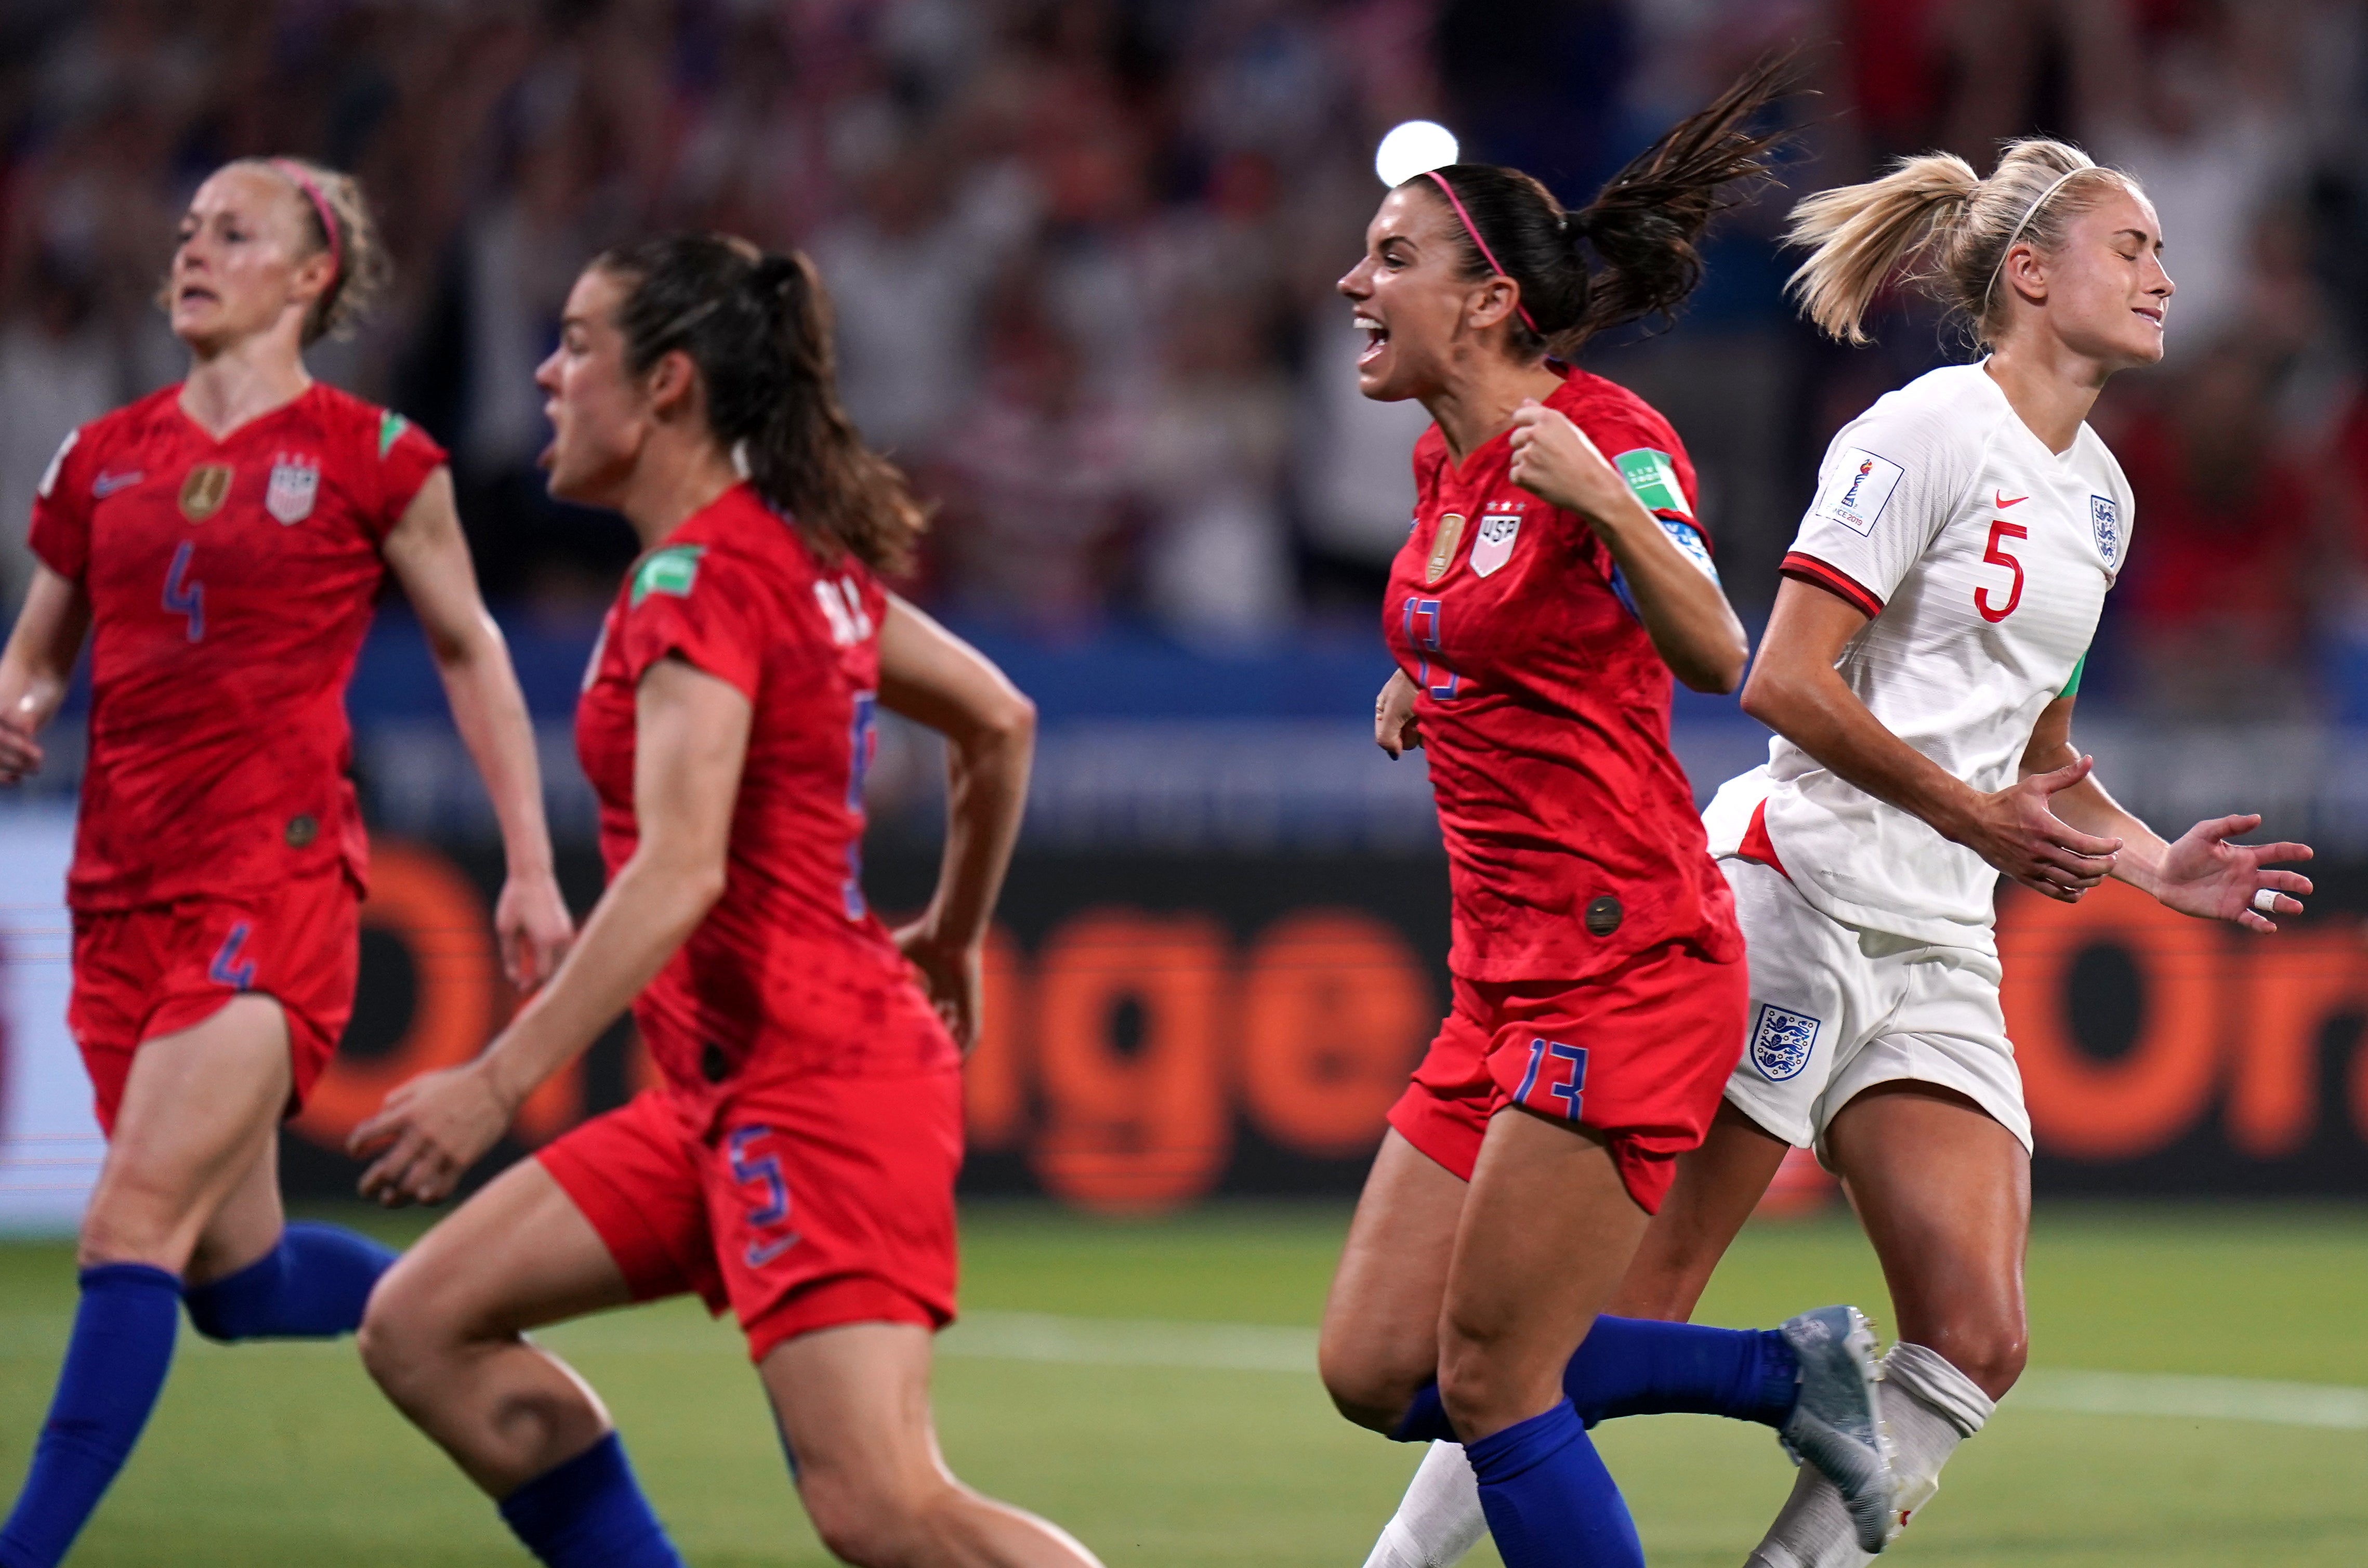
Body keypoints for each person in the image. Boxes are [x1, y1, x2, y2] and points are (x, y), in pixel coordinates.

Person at [1361, 138, 2318, 1568]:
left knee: (1976, 1339)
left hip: (1936, 936)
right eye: (2134, 248)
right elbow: (1781, 681)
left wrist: (2146, 862)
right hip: (1794, 894)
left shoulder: (2101, 497)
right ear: (2031, 273)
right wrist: (1964, 812)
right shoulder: (1920, 432)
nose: (2164, 275)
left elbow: (2036, 760)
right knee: (1632, 1297)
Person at [348, 234, 1097, 1568]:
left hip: (814, 1086)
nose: (546, 371)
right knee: (421, 1326)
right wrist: (956, 934)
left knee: (883, 1509)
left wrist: (494, 1082)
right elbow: (998, 720)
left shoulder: (693, 583)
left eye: (578, 344)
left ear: (670, 388)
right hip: (723, 1092)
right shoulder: (789, 559)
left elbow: (680, 870)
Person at [1318, 64, 1898, 1568]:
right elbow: (1504, 625)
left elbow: (1720, 654)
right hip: (1495, 981)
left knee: (1497, 1383)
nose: (1351, 281)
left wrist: (1608, 499)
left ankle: (1785, 1374)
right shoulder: (1439, 458)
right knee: (1373, 1369)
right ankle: (1781, 1372)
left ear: (1491, 298)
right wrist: (1420, 671)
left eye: (1392, 259)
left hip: (1625, 963)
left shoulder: (1601, 431)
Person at [0, 157, 572, 1568]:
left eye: (232, 233)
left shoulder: (377, 457)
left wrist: (528, 863)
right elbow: (35, 655)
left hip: (274, 882)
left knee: (130, 1217)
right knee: (231, 1280)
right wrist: (9, 710)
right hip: (119, 894)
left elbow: (470, 651)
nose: (193, 250)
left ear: (312, 274)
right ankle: (450, 1299)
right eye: (186, 228)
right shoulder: (99, 457)